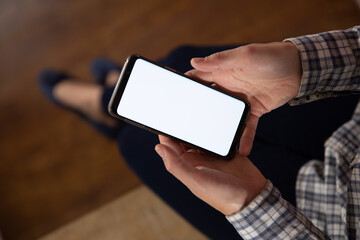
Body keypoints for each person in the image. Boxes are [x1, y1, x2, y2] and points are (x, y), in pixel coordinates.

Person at [39, 26, 360, 239]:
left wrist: (249, 204)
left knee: (135, 142)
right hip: (353, 128)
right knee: (185, 63)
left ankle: (108, 101)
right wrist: (302, 64)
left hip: (320, 223)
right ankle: (111, 98)